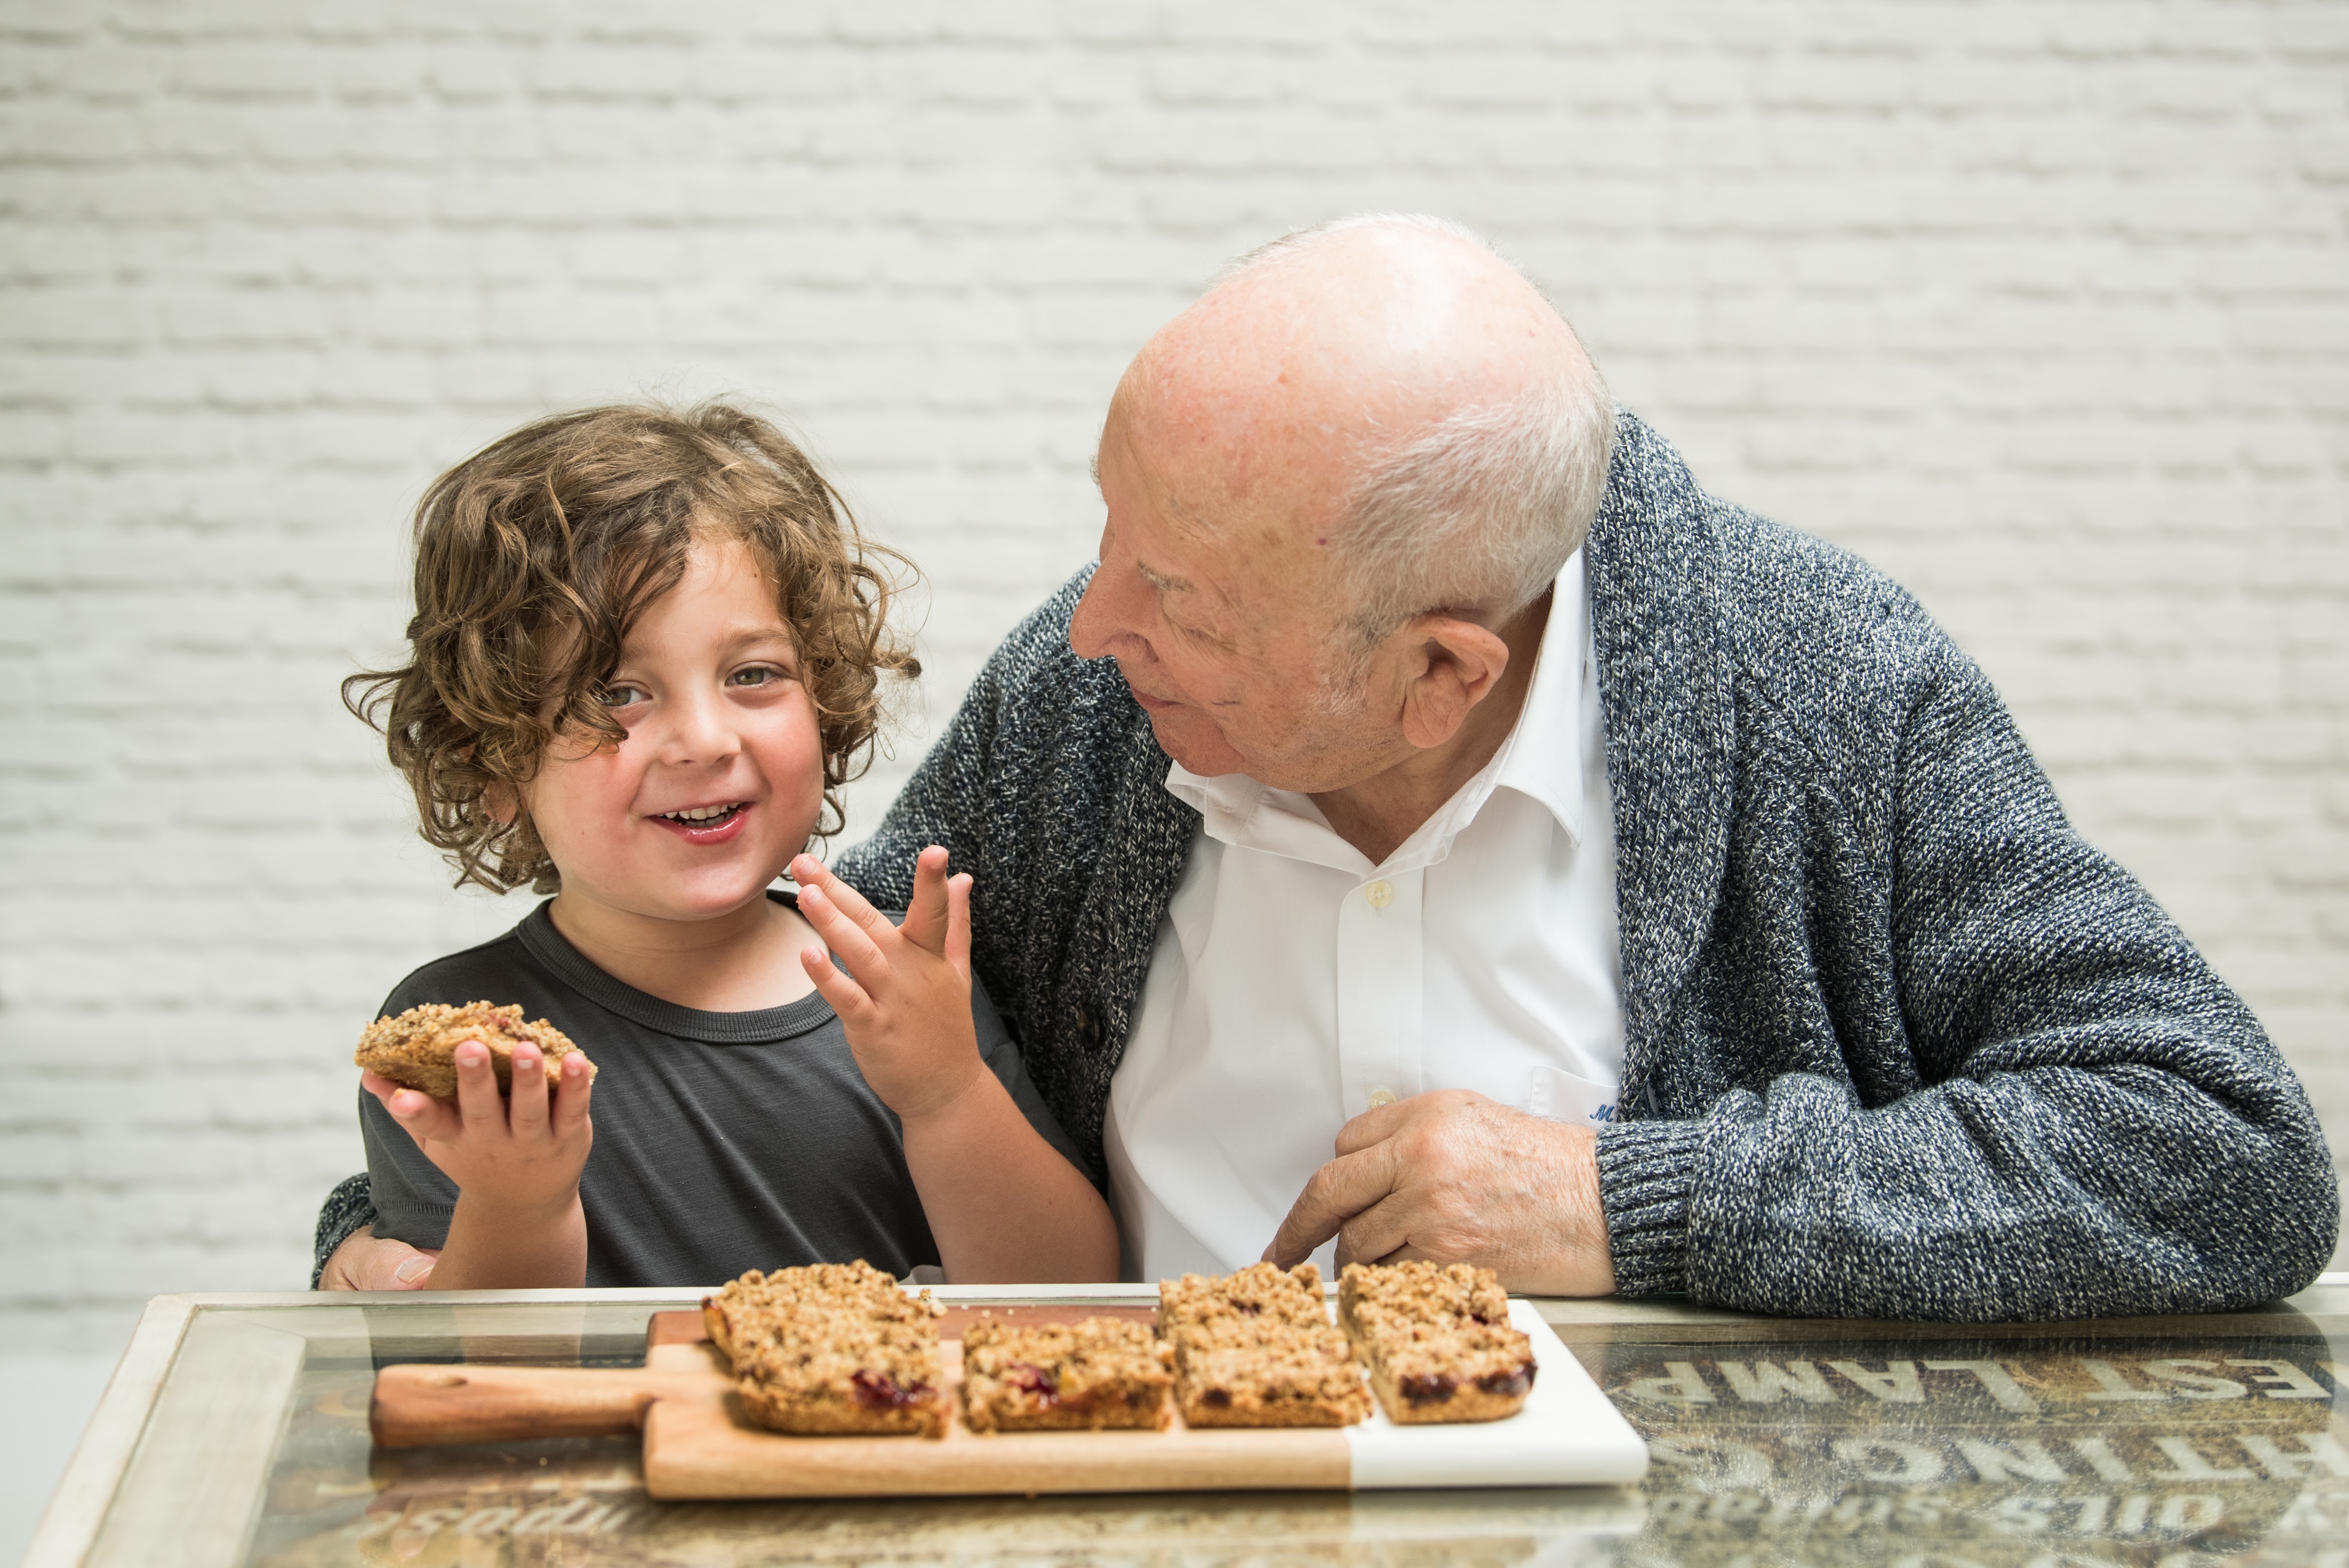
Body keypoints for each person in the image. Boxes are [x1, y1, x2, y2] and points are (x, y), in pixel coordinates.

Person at [319, 217, 2338, 1319]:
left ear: (1434, 665)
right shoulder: (1082, 707)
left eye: (1174, 596)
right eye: (1105, 534)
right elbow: (769, 1036)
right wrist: (400, 1214)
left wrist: (1629, 1208)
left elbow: (2218, 1158)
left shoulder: (1825, 697)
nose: (1087, 625)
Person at [321, 402, 1116, 1289]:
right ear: (496, 760)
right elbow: (465, 1373)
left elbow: (1077, 1298)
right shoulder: (469, 1042)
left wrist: (947, 1091)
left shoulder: (900, 983)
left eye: (753, 675)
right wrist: (519, 1202)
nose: (703, 739)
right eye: (618, 692)